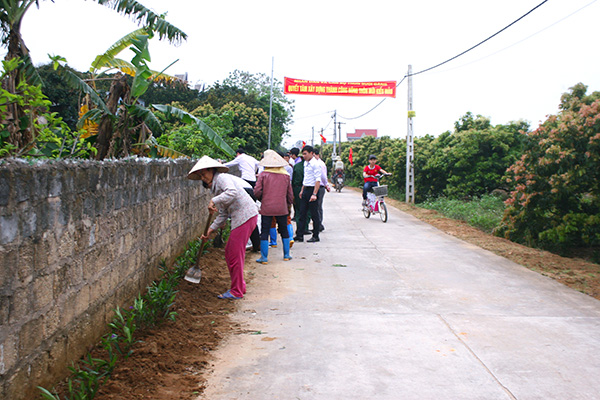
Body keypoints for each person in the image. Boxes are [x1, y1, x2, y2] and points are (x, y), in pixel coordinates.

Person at [188, 156, 258, 300]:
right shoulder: (216, 188)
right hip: (242, 218)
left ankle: (237, 291)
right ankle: (240, 286)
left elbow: (232, 192)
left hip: (245, 216)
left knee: (234, 254)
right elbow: (223, 213)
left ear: (211, 170)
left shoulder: (222, 178)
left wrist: (214, 200)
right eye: (200, 176)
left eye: (204, 174)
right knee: (231, 253)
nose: (203, 177)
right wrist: (210, 230)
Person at [253, 150, 294, 264]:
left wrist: (262, 199)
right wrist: (288, 204)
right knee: (284, 230)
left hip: (267, 207)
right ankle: (286, 255)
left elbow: (257, 191)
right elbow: (290, 194)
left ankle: (264, 258)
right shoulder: (286, 176)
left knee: (265, 231)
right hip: (282, 208)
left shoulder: (263, 175)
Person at [294, 145, 322, 243]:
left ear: (311, 153)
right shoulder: (305, 163)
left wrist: (314, 194)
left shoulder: (316, 164)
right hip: (306, 189)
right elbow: (306, 178)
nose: (304, 156)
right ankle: (300, 235)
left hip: (312, 190)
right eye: (303, 154)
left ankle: (316, 235)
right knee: (302, 213)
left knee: (314, 214)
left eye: (305, 154)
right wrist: (302, 190)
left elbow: (318, 180)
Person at [313, 148, 330, 232]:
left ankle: (319, 224)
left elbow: (323, 176)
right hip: (315, 186)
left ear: (317, 155)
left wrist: (326, 184)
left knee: (318, 206)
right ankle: (317, 224)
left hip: (320, 186)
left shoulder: (320, 164)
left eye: (314, 155)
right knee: (315, 206)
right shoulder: (312, 163)